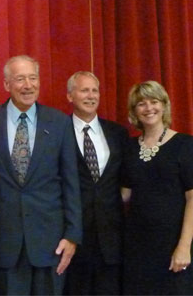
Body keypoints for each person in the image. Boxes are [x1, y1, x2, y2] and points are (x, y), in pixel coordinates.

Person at [0, 55, 82, 295]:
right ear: (6, 84)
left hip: (50, 242)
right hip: (3, 240)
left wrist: (72, 235)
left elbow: (71, 182)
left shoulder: (60, 122)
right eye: (20, 79)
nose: (28, 85)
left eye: (33, 78)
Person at [121, 80, 193, 295]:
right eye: (141, 104)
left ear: (164, 105)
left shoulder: (184, 144)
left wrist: (184, 246)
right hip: (138, 247)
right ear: (134, 111)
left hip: (173, 244)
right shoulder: (129, 147)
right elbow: (125, 195)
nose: (149, 108)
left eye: (154, 101)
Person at [64, 71, 129, 295]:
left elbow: (126, 179)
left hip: (112, 240)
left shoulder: (118, 133)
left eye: (95, 90)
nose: (91, 96)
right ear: (70, 96)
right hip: (73, 239)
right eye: (84, 90)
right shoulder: (56, 132)